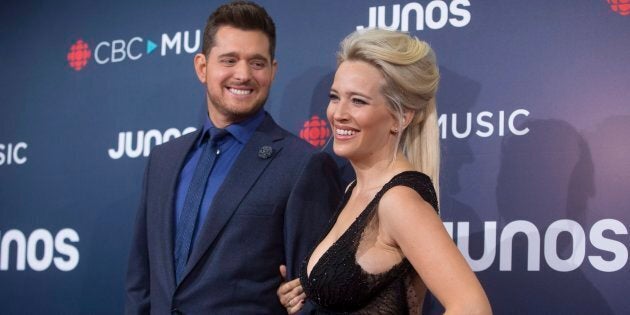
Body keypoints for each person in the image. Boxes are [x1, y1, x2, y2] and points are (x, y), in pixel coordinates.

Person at [124, 1, 341, 314]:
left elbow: (312, 296)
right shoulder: (163, 159)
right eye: (229, 60)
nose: (243, 74)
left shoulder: (301, 164)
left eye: (257, 63)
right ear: (202, 67)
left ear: (273, 70)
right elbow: (140, 279)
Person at [277, 29, 492, 314]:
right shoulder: (354, 190)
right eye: (335, 96)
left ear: (401, 117)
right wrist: (311, 291)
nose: (338, 113)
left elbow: (472, 307)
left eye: (358, 101)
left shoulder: (398, 201)